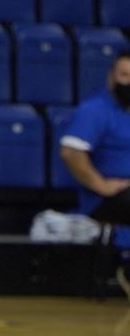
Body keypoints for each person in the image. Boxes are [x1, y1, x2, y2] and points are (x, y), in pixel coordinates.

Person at [61, 51, 130, 298]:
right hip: (108, 199)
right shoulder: (95, 110)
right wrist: (100, 185)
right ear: (111, 78)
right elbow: (71, 152)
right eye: (124, 75)